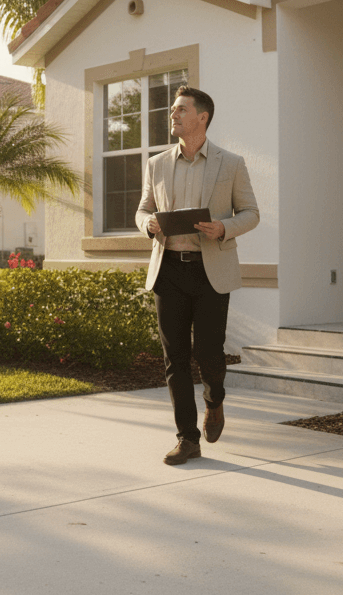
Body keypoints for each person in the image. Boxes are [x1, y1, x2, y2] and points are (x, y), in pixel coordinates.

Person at [136, 85, 259, 465]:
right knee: (175, 358)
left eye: (179, 110)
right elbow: (143, 210)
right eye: (173, 111)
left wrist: (223, 228)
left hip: (210, 273)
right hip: (168, 270)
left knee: (209, 353)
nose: (172, 115)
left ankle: (215, 400)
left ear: (202, 117)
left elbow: (250, 213)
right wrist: (148, 225)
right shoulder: (156, 164)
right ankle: (187, 439)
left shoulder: (231, 162)